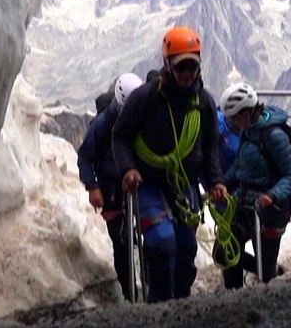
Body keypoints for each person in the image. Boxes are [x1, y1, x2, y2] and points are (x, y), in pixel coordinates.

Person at [112, 26, 227, 302]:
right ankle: (160, 308)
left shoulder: (203, 102)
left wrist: (215, 181)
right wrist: (128, 168)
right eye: (181, 66)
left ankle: (180, 303)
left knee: (186, 248)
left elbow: (210, 143)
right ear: (167, 65)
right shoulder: (146, 98)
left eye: (192, 66)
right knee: (163, 244)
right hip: (149, 183)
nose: (188, 74)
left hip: (183, 183)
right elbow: (121, 136)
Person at [217, 82, 291, 289]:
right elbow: (239, 165)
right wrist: (221, 184)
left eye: (234, 117)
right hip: (245, 203)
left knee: (266, 270)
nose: (232, 123)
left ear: (245, 113)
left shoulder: (274, 136)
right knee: (227, 251)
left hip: (269, 210)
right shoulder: (249, 131)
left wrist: (272, 195)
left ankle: (267, 300)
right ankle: (233, 297)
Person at [76, 72, 144, 301]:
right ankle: (129, 292)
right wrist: (93, 187)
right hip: (112, 189)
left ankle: (148, 285)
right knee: (121, 242)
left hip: (136, 183)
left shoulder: (140, 116)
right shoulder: (103, 124)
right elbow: (85, 156)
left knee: (148, 235)